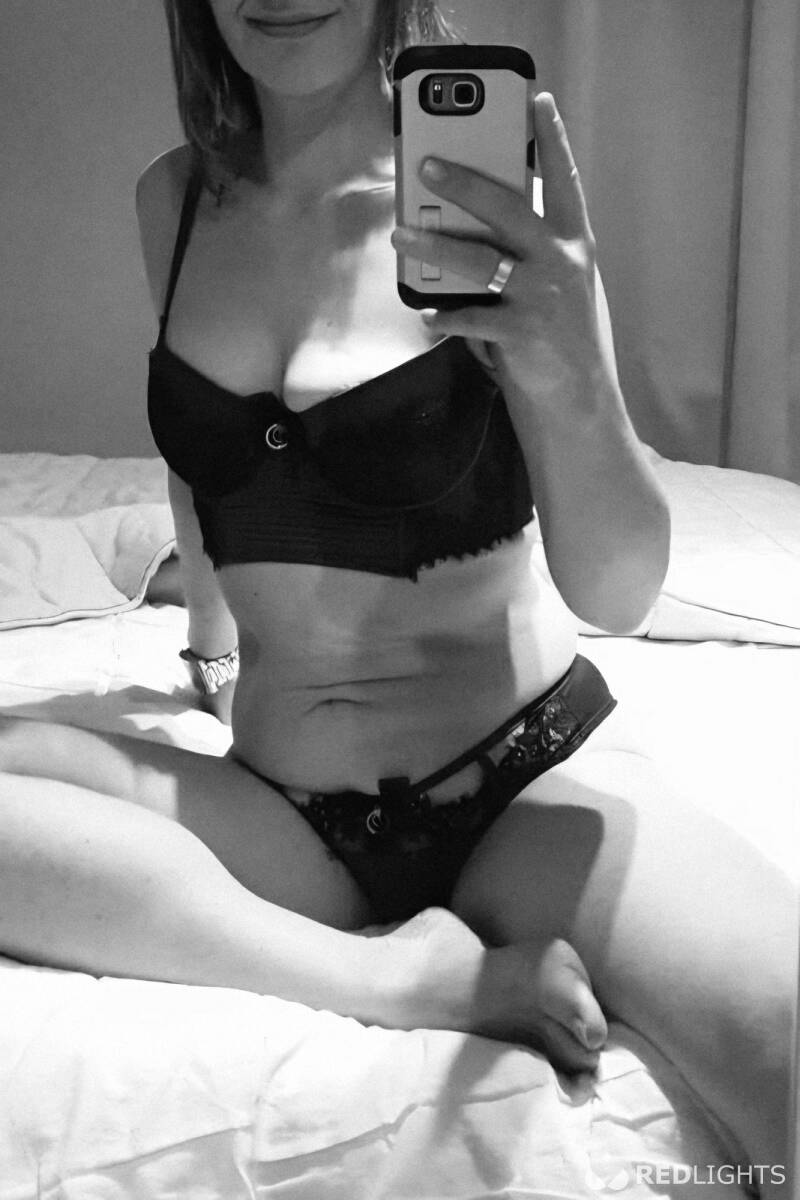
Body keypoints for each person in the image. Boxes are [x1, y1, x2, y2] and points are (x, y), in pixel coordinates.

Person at [0, 0, 794, 1185]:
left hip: (517, 779)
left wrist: (571, 369)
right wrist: (209, 656)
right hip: (281, 814)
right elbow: (198, 475)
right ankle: (390, 978)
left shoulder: (479, 201)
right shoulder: (174, 201)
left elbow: (619, 591)